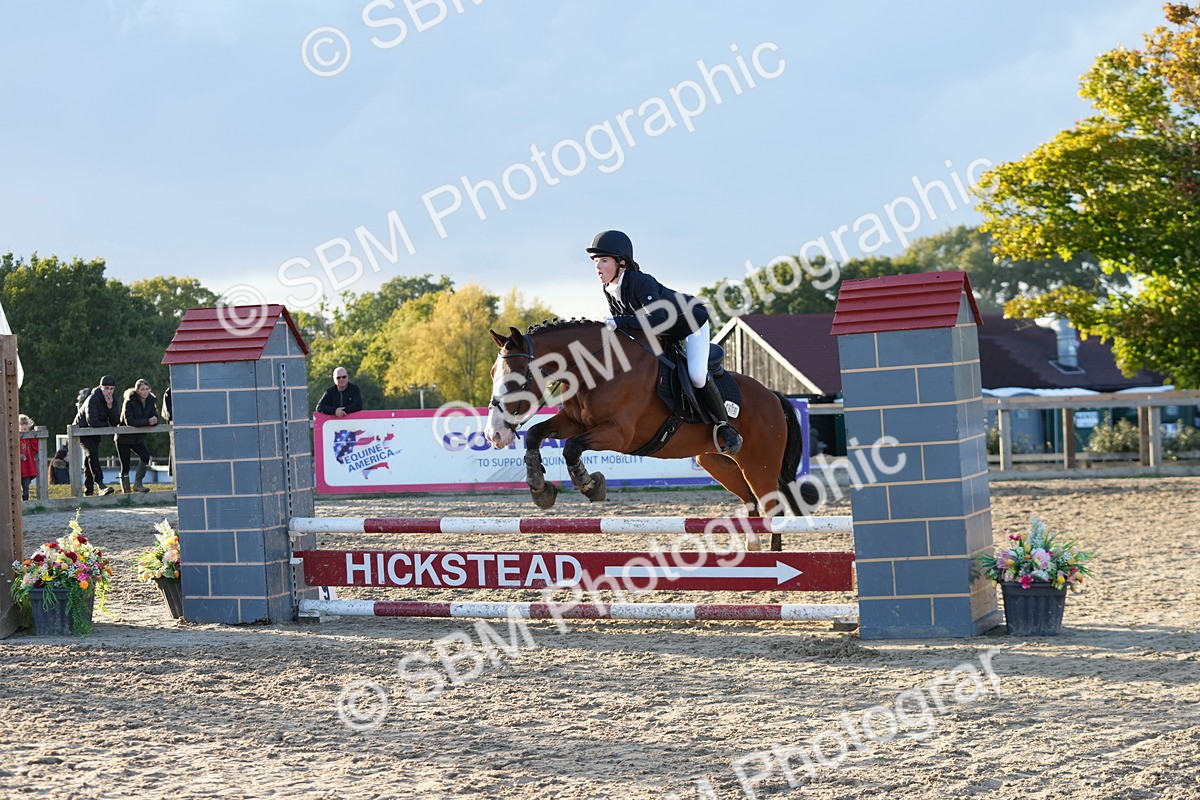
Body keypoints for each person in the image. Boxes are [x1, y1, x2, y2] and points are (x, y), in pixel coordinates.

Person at [588, 229, 742, 454]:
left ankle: (725, 426)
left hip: (691, 324)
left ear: (622, 263)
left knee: (697, 375)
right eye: (595, 261)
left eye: (603, 260)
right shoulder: (609, 287)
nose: (597, 267)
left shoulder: (641, 282)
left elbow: (657, 319)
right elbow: (628, 328)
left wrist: (619, 321)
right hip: (664, 332)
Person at [74, 375, 119, 495]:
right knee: (92, 454)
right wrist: (105, 424)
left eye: (111, 389)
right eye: (106, 388)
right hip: (82, 431)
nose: (109, 391)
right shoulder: (93, 399)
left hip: (95, 432)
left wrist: (110, 407)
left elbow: (115, 422)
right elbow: (92, 422)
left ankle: (88, 490)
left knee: (90, 458)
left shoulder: (112, 399)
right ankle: (100, 484)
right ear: (100, 387)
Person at [115, 378, 160, 494]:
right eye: (142, 389)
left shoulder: (151, 401)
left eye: (147, 389)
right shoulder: (129, 401)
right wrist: (148, 421)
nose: (145, 392)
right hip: (124, 437)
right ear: (137, 390)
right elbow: (129, 421)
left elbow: (155, 417)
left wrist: (155, 420)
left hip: (138, 437)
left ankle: (138, 484)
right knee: (125, 465)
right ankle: (126, 491)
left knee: (145, 456)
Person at [18, 414, 38, 501]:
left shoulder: (29, 437)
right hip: (17, 468)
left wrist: (33, 436)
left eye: (26, 424)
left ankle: (26, 502)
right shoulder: (15, 437)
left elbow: (36, 448)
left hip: (27, 467)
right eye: (21, 424)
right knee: (15, 488)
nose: (24, 426)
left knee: (26, 487)